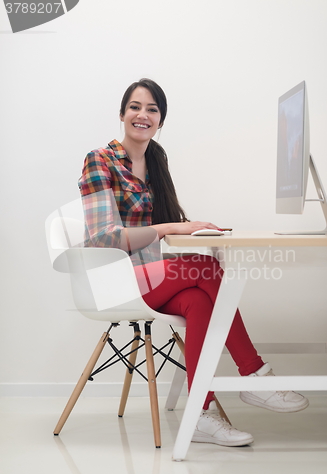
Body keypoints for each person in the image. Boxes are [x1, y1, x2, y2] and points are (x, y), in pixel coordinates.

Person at [78, 78, 309, 447]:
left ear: (161, 121)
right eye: (135, 107)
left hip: (148, 280)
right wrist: (173, 227)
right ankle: (254, 375)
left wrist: (197, 234)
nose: (143, 115)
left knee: (199, 299)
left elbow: (163, 230)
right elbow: (104, 237)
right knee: (205, 272)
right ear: (122, 114)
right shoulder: (99, 160)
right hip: (113, 280)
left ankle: (202, 413)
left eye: (152, 109)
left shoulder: (155, 161)